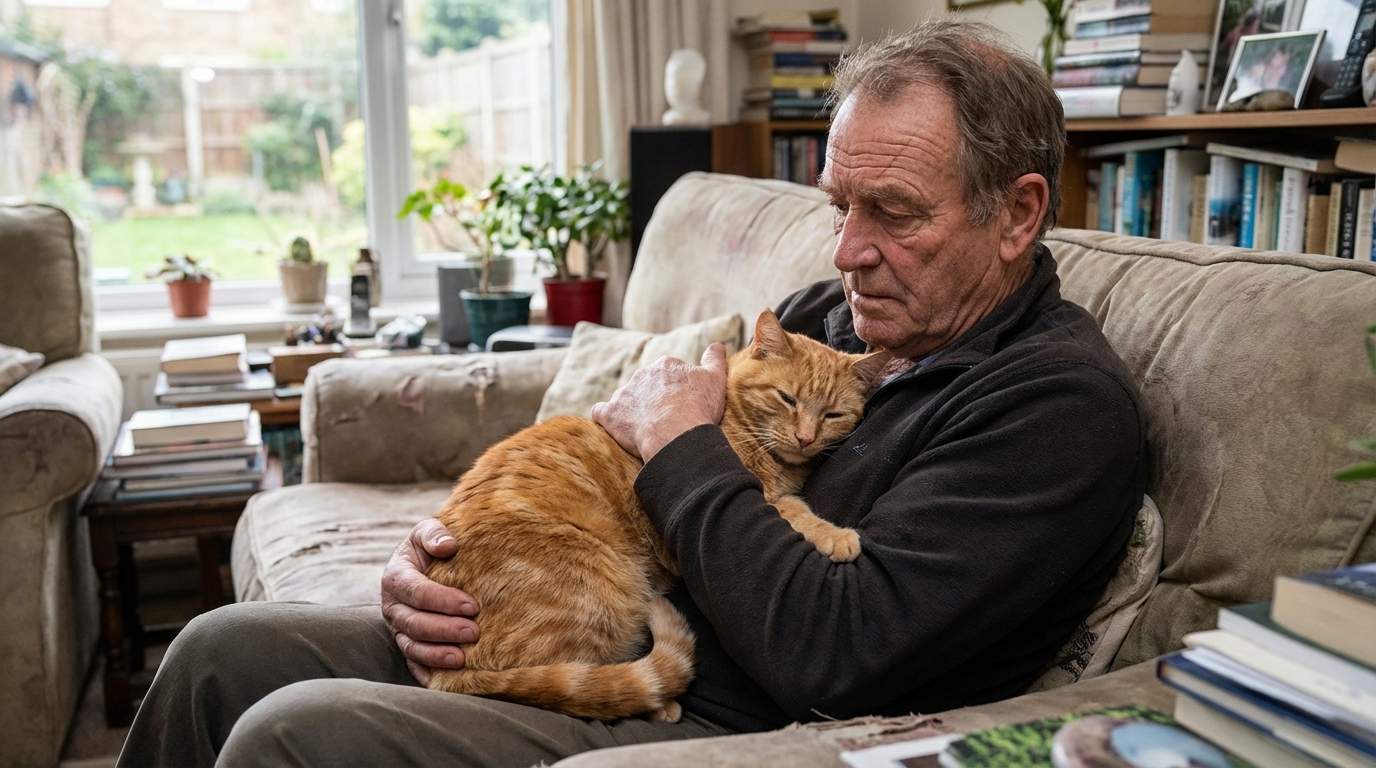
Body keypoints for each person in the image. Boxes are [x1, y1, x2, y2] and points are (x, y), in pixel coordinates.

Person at [118, 17, 1145, 768]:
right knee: (217, 651)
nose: (846, 251)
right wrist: (437, 556)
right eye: (838, 205)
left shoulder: (1055, 408)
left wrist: (680, 446)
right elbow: (603, 464)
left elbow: (835, 652)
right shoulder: (841, 317)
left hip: (718, 716)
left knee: (291, 736)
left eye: (894, 212)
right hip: (613, 612)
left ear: (1017, 216)